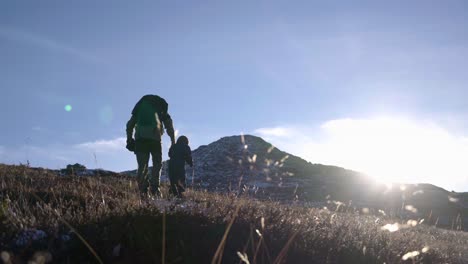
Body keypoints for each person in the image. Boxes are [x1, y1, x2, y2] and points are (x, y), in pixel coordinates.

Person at [126, 95, 175, 198]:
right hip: (155, 140)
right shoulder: (160, 108)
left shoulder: (139, 109)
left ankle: (143, 192)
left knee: (142, 167)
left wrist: (129, 139)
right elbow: (169, 126)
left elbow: (129, 125)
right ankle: (155, 190)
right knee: (157, 165)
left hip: (140, 140)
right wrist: (173, 142)